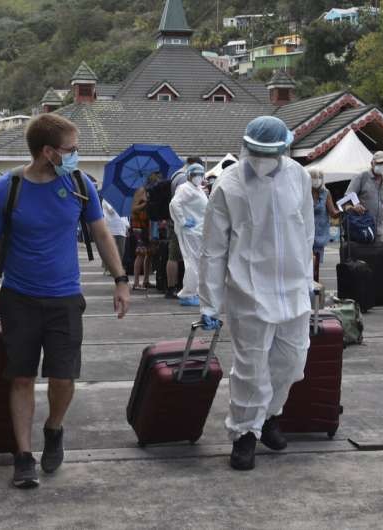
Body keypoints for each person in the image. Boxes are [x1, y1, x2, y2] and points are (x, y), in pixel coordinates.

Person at [0, 113, 130, 489]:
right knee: (20, 376)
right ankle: (22, 456)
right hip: (19, 297)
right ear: (48, 152)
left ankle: (54, 428)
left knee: (63, 377)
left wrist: (121, 280)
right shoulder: (8, 188)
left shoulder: (81, 185)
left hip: (65, 298)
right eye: (71, 149)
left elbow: (101, 234)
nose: (76, 155)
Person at [199, 116, 314, 471]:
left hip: (293, 288)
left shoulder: (298, 176)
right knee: (251, 368)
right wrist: (210, 301)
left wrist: (309, 280)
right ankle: (244, 434)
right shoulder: (228, 186)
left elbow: (306, 231)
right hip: (249, 291)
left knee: (292, 362)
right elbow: (213, 249)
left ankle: (267, 417)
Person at [165, 156, 205, 299]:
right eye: (195, 174)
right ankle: (189, 292)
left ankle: (195, 291)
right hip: (190, 231)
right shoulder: (185, 188)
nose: (198, 177)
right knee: (191, 263)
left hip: (198, 231)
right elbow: (174, 204)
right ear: (189, 174)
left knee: (197, 262)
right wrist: (182, 221)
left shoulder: (197, 189)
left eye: (201, 174)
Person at [343, 151, 383, 242]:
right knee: (364, 255)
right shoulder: (362, 177)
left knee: (379, 254)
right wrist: (356, 205)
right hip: (362, 227)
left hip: (379, 230)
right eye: (378, 163)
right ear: (372, 163)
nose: (381, 165)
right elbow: (348, 196)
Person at [309, 168, 340, 263]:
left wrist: (343, 210)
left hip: (319, 235)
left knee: (317, 264)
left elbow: (333, 213)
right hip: (305, 233)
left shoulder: (326, 193)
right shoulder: (304, 192)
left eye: (320, 177)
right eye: (314, 177)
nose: (317, 180)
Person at [130, 184, 155, 290]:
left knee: (149, 253)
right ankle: (136, 282)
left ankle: (146, 280)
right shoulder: (140, 190)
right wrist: (145, 203)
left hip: (146, 225)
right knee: (140, 253)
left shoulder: (149, 190)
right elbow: (134, 208)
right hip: (139, 225)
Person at [101, 197, 129, 274]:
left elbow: (124, 214)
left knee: (121, 250)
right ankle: (109, 269)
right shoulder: (106, 199)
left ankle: (117, 268)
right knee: (110, 250)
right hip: (111, 228)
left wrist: (127, 225)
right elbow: (111, 211)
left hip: (121, 228)